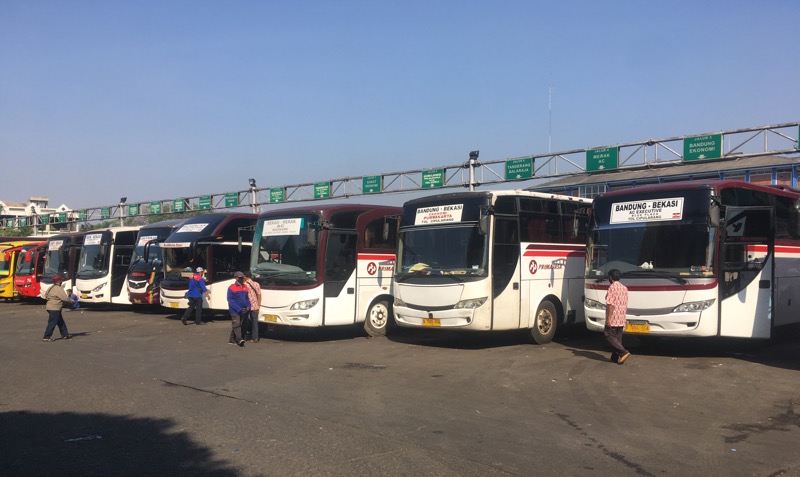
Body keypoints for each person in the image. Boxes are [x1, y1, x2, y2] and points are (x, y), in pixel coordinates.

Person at [604, 268, 630, 364]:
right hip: (621, 317)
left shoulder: (612, 288)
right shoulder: (624, 288)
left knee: (608, 335)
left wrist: (608, 319)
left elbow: (610, 305)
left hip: (614, 317)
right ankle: (616, 357)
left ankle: (623, 352)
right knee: (618, 338)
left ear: (610, 277)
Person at [42, 275, 74, 341]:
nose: (62, 281)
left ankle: (65, 335)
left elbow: (45, 295)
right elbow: (64, 298)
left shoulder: (51, 287)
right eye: (61, 280)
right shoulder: (58, 288)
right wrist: (72, 301)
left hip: (50, 306)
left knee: (60, 321)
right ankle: (46, 336)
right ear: (59, 281)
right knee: (52, 322)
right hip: (55, 307)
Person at [227, 271, 250, 347]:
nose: (242, 279)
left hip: (244, 309)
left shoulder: (245, 287)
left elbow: (247, 298)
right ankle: (239, 339)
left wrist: (248, 305)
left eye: (243, 277)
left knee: (238, 325)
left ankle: (231, 340)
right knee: (237, 324)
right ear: (236, 278)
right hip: (234, 310)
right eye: (240, 278)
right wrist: (238, 309)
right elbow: (230, 300)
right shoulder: (231, 287)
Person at [242, 274, 262, 342]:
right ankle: (255, 338)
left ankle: (243, 337)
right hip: (255, 306)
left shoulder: (244, 285)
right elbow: (259, 295)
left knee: (245, 322)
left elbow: (243, 296)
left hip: (247, 306)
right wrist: (258, 305)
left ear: (245, 277)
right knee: (255, 323)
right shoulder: (256, 284)